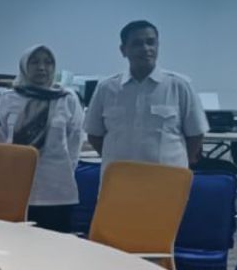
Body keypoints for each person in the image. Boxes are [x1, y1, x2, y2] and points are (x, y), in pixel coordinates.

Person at [85, 20, 208, 169]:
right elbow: (94, 135)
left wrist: (176, 163)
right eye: (137, 44)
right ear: (123, 50)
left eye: (151, 42)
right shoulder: (106, 88)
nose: (145, 48)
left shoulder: (180, 86)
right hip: (119, 177)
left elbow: (196, 135)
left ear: (158, 46)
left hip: (166, 177)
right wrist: (113, 159)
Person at [0, 45, 85, 232]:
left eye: (48, 62)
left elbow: (74, 142)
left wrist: (62, 171)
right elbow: (0, 141)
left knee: (54, 244)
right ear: (24, 66)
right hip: (15, 186)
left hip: (56, 188)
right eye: (34, 62)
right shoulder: (9, 99)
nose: (42, 67)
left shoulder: (67, 99)